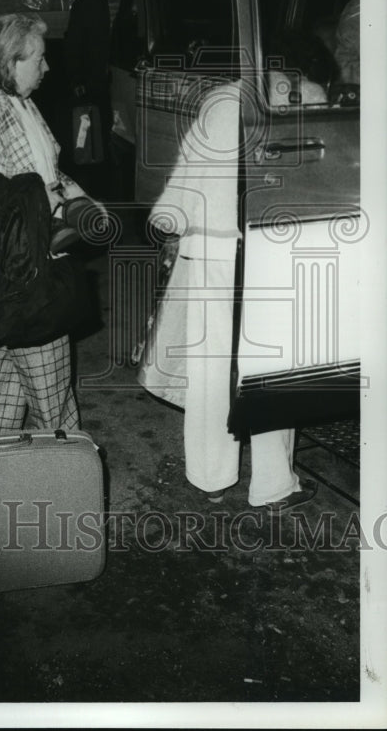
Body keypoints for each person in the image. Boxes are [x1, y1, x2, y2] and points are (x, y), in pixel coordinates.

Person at [138, 80, 317, 514]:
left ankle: (210, 479)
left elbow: (186, 174)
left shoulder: (220, 99)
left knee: (211, 366)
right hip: (267, 246)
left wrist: (171, 224)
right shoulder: (307, 93)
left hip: (210, 250)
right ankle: (274, 485)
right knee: (272, 364)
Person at [0, 13, 86, 437]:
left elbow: (47, 171)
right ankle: (70, 469)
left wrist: (79, 198)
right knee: (52, 390)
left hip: (15, 273)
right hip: (17, 273)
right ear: (11, 62)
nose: (46, 68)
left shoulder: (23, 106)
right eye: (38, 59)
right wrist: (40, 202)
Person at [63, 0, 131, 198]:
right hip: (95, 84)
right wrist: (76, 79)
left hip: (121, 83)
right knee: (95, 145)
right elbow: (74, 42)